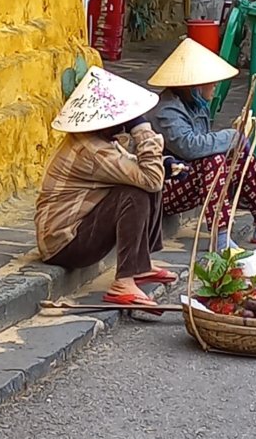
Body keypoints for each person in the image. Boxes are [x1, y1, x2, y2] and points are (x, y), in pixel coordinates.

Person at [35, 67, 180, 309]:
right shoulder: (91, 149)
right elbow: (149, 179)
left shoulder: (97, 140)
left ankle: (139, 264)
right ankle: (124, 282)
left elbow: (139, 169)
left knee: (149, 178)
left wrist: (166, 163)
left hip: (74, 231)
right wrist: (142, 129)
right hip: (63, 243)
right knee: (135, 192)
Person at [149, 39, 256, 248]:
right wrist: (233, 136)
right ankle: (221, 236)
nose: (215, 85)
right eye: (211, 81)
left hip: (189, 180)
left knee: (245, 158)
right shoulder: (167, 111)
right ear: (194, 84)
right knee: (214, 161)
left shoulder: (197, 105)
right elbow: (191, 147)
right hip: (164, 188)